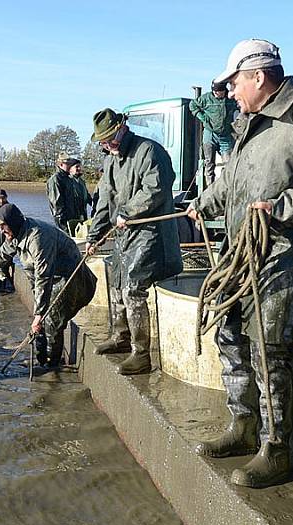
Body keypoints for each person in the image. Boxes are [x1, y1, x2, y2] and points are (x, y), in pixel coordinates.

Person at [186, 39, 293, 488]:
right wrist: (203, 204)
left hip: (289, 262)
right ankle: (243, 426)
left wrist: (280, 208)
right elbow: (233, 179)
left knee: (268, 350)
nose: (230, 93)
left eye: (234, 83)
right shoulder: (251, 123)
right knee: (229, 334)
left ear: (258, 77)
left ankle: (277, 448)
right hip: (244, 259)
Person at [86, 108, 183, 375]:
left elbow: (156, 190)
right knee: (115, 280)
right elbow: (104, 201)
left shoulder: (150, 151)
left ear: (122, 128)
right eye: (102, 141)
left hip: (151, 232)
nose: (106, 145)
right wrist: (94, 235)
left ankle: (141, 355)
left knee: (132, 287)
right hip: (124, 235)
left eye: (109, 139)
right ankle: (120, 337)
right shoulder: (110, 162)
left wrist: (128, 212)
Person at [0, 204, 96, 370]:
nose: (2, 231)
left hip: (68, 277)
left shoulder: (38, 238)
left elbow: (43, 276)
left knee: (51, 319)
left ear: (13, 223)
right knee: (40, 321)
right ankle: (41, 359)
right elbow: (7, 247)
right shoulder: (16, 233)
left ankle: (52, 364)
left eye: (3, 227)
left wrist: (39, 314)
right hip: (50, 278)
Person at [189, 80, 239, 185]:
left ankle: (227, 186)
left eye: (218, 91)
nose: (215, 93)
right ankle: (209, 187)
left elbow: (241, 107)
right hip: (210, 134)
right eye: (214, 91)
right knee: (209, 163)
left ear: (224, 90)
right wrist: (202, 117)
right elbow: (193, 105)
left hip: (226, 135)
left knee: (229, 163)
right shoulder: (206, 98)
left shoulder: (231, 99)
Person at [47, 153, 87, 235]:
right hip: (64, 222)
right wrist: (63, 224)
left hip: (74, 219)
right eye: (68, 164)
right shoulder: (56, 179)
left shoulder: (69, 179)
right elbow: (57, 205)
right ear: (61, 164)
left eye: (70, 164)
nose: (70, 166)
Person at [69, 159, 93, 224]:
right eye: (76, 167)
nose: (79, 168)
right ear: (70, 168)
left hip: (83, 215)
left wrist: (95, 205)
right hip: (72, 217)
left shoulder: (82, 181)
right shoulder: (68, 181)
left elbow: (87, 196)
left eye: (80, 166)